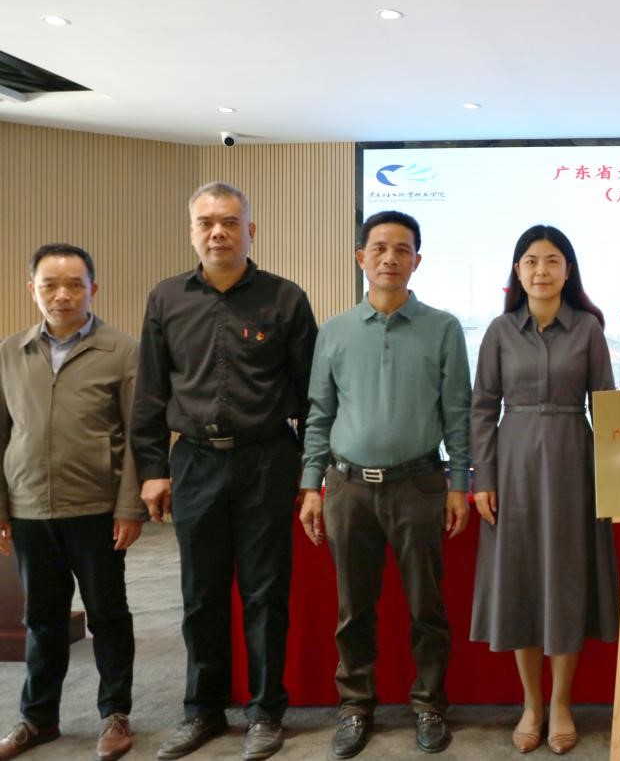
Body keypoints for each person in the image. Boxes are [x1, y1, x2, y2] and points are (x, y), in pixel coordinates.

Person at [131, 182, 317, 761]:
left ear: (250, 231)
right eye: (206, 222)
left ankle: (265, 712)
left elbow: (312, 395)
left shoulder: (286, 299)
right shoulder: (166, 299)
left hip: (267, 459)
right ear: (192, 231)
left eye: (231, 222)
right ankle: (202, 710)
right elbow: (150, 393)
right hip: (194, 461)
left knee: (265, 593)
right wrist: (152, 468)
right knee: (200, 593)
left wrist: (310, 470)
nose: (218, 232)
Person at [297, 210, 471, 758]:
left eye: (402, 249)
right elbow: (319, 413)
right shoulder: (335, 331)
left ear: (417, 260)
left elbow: (458, 415)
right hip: (347, 487)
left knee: (427, 605)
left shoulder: (443, 328)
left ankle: (429, 703)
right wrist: (310, 485)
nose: (390, 258)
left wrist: (460, 483)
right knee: (353, 608)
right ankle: (355, 706)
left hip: (418, 483)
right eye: (379, 248)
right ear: (361, 258)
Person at [469, 224, 619, 756]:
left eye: (552, 260)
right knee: (523, 582)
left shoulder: (588, 330)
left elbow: (607, 405)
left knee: (565, 580)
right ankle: (531, 703)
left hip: (574, 465)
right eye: (531, 261)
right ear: (517, 270)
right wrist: (483, 478)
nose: (541, 270)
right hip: (512, 467)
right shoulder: (500, 331)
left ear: (567, 270)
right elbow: (482, 408)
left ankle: (561, 703)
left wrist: (618, 475)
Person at [0, 244, 144, 761]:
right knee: (41, 618)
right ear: (32, 290)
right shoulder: (9, 353)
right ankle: (38, 719)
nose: (62, 295)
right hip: (30, 509)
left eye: (74, 285)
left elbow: (137, 437)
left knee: (107, 615)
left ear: (93, 289)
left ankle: (115, 714)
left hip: (97, 510)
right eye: (50, 285)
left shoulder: (122, 351)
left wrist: (130, 507)